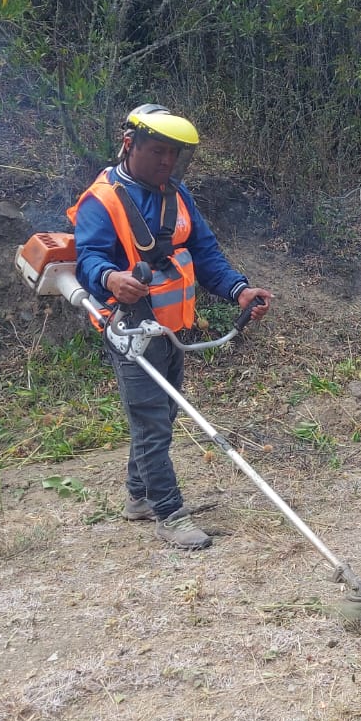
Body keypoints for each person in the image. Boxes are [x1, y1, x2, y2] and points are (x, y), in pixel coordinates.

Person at [69, 104, 273, 550]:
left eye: (174, 154)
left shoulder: (177, 196)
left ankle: (139, 497)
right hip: (131, 331)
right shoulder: (101, 200)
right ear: (130, 144)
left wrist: (239, 290)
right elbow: (89, 259)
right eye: (158, 151)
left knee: (162, 415)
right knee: (152, 423)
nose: (167, 161)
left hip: (172, 330)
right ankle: (169, 513)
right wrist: (111, 279)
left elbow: (205, 253)